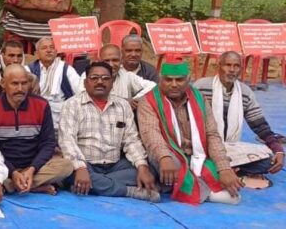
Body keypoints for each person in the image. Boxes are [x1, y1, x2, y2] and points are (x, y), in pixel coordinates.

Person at [138, 59, 242, 205]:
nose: (174, 84)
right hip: (168, 153)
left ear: (188, 79)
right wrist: (163, 157)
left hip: (196, 154)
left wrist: (224, 168)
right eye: (168, 80)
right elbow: (151, 134)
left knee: (222, 163)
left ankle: (190, 184)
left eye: (179, 80)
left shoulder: (200, 98)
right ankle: (207, 193)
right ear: (160, 80)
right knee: (170, 164)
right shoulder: (148, 101)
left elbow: (211, 134)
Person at [59, 62, 158, 202]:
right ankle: (128, 191)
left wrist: (142, 166)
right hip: (87, 165)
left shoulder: (123, 106)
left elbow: (131, 140)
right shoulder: (72, 105)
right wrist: (81, 168)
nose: (100, 82)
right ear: (86, 83)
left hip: (115, 166)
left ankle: (93, 185)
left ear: (112, 83)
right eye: (94, 78)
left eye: (106, 78)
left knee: (150, 170)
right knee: (71, 172)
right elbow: (67, 141)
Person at [193, 51, 283, 188]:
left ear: (241, 69)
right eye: (227, 65)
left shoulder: (245, 92)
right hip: (202, 147)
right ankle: (228, 172)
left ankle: (220, 171)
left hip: (230, 148)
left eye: (236, 66)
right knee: (194, 159)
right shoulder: (201, 87)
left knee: (269, 160)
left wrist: (278, 149)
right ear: (219, 66)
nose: (232, 70)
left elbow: (260, 125)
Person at [0, 64, 73, 195]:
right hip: (3, 164)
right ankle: (31, 185)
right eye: (14, 84)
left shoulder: (41, 105)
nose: (20, 89)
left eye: (24, 83)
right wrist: (12, 171)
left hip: (33, 165)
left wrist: (32, 169)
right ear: (3, 83)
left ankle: (12, 185)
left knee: (66, 166)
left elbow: (48, 142)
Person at [80, 44, 155, 110]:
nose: (111, 65)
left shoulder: (127, 76)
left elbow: (153, 86)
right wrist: (124, 102)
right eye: (106, 61)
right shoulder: (88, 76)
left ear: (121, 61)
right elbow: (84, 98)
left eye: (115, 60)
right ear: (99, 61)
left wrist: (135, 100)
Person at [28, 37, 81, 129]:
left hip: (61, 117)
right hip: (35, 115)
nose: (49, 50)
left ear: (56, 52)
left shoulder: (67, 69)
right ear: (37, 54)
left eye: (51, 47)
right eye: (44, 48)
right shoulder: (28, 70)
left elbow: (80, 92)